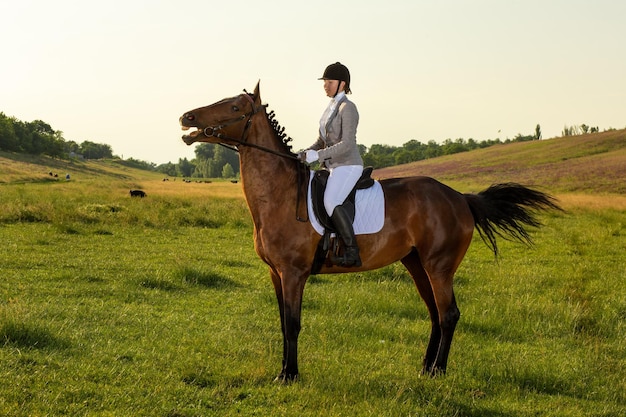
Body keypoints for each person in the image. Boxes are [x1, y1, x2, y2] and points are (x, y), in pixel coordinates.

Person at [300, 62, 364, 267]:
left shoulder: (348, 108)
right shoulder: (330, 108)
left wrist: (317, 157)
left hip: (347, 165)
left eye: (329, 81)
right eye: (325, 82)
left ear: (342, 84)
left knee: (331, 201)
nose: (325, 85)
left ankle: (352, 251)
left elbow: (347, 144)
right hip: (331, 167)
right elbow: (321, 141)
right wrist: (304, 153)